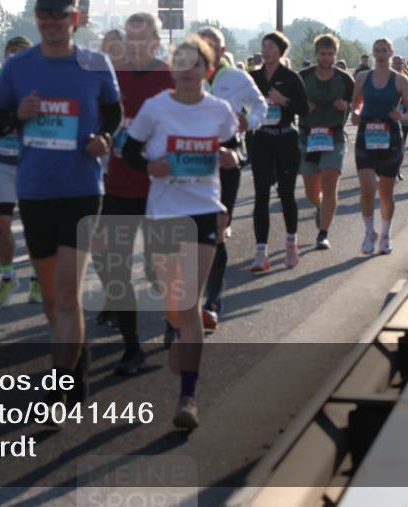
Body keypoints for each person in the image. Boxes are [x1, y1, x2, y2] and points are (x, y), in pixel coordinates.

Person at [0, 0, 123, 404]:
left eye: (59, 15)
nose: (50, 22)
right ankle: (75, 362)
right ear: (37, 19)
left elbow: (114, 113)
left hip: (82, 190)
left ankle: (59, 392)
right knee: (52, 298)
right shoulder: (17, 68)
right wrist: (17, 115)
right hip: (35, 190)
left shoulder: (96, 65)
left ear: (75, 20)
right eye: (43, 15)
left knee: (67, 292)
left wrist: (103, 137)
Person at [122, 34, 238, 430]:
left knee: (188, 303)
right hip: (163, 213)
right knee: (171, 298)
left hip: (203, 211)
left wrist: (230, 156)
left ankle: (188, 396)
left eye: (195, 63)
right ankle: (176, 325)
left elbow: (237, 150)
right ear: (173, 69)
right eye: (181, 63)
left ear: (207, 70)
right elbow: (128, 151)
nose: (187, 70)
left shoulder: (219, 111)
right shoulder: (156, 108)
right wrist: (148, 168)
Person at [95, 12, 173, 376]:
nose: (134, 45)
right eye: (129, 38)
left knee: (161, 268)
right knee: (114, 263)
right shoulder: (112, 76)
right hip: (120, 184)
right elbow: (100, 118)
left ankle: (176, 320)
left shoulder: (170, 77)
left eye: (141, 39)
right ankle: (132, 348)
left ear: (156, 43)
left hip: (162, 187)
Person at [197, 26, 265, 332]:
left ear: (222, 52)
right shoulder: (185, 77)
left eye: (211, 47)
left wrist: (249, 121)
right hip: (190, 158)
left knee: (216, 228)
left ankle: (212, 301)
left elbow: (261, 105)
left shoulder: (237, 78)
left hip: (227, 156)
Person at [0, 36, 41, 307]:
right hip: (1, 161)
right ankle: (8, 278)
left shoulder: (41, 83)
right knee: (1, 224)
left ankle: (36, 279)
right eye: (11, 54)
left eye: (22, 54)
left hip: (32, 162)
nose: (15, 58)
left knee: (33, 226)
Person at [247, 31, 307, 271]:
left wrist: (284, 101)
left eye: (271, 46)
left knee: (286, 193)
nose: (266, 50)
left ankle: (291, 243)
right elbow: (242, 105)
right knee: (260, 195)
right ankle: (261, 253)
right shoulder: (253, 78)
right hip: (261, 139)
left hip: (285, 139)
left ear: (281, 51)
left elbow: (304, 109)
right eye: (264, 46)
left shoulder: (290, 77)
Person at [351, 39, 408, 255]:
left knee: (386, 192)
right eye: (377, 50)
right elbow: (356, 103)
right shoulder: (362, 77)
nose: (380, 54)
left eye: (384, 50)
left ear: (391, 53)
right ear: (372, 52)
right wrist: (355, 113)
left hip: (390, 136)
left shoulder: (400, 80)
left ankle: (386, 235)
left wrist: (402, 116)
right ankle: (370, 233)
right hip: (367, 134)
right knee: (368, 189)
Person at [299, 34, 354, 250]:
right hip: (308, 136)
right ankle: (320, 206)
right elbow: (292, 103)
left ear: (336, 54)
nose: (326, 58)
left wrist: (347, 106)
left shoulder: (344, 79)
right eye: (323, 54)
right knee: (311, 192)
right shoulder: (303, 77)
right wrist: (304, 107)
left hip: (335, 136)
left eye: (330, 54)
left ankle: (323, 233)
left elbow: (357, 103)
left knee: (330, 183)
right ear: (316, 54)